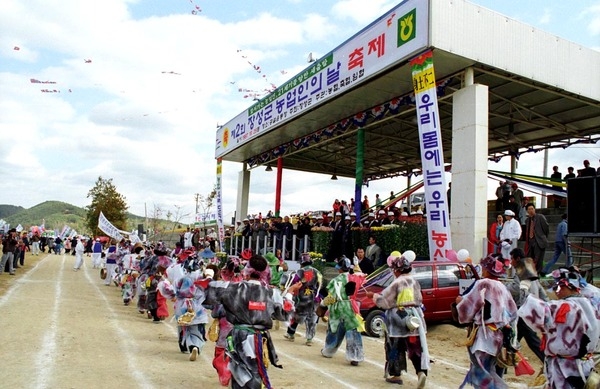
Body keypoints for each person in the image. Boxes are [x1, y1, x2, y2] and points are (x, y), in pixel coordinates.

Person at [204, 255, 299, 389]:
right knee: (256, 372)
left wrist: (208, 276)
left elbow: (209, 292)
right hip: (259, 338)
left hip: (238, 336)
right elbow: (285, 314)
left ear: (247, 272)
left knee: (239, 371)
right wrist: (289, 293)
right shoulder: (272, 293)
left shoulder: (232, 288)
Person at [519, 274, 598, 388]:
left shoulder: (562, 306)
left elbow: (538, 310)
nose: (556, 292)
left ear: (568, 287)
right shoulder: (592, 304)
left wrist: (524, 289)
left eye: (559, 288)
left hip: (564, 368)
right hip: (585, 364)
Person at [455, 254, 518, 389]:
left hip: (485, 335)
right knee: (488, 369)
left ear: (487, 270)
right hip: (500, 334)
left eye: (484, 267)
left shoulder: (482, 283)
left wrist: (460, 302)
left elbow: (469, 306)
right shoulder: (502, 287)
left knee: (481, 372)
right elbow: (513, 311)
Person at [368, 251, 430, 387]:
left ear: (396, 270)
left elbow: (384, 301)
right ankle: (421, 372)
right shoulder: (414, 281)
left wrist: (373, 296)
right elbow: (419, 299)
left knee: (395, 347)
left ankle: (396, 374)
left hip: (398, 318)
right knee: (415, 347)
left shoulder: (397, 283)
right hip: (415, 317)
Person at [320, 256, 366, 366]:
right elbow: (362, 275)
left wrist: (322, 304)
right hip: (351, 306)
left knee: (334, 330)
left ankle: (328, 351)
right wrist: (356, 266)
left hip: (339, 308)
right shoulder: (354, 278)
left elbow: (331, 297)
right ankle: (355, 356)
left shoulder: (335, 281)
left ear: (339, 268)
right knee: (353, 331)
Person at [505, 248, 546, 364]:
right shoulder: (530, 268)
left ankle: (546, 360)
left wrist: (504, 286)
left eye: (512, 259)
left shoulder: (521, 270)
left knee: (530, 340)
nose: (511, 261)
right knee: (513, 337)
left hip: (523, 309)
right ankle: (505, 362)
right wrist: (545, 302)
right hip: (529, 308)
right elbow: (540, 288)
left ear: (517, 259)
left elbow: (516, 288)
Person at [284, 253, 322, 345]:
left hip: (301, 299)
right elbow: (320, 286)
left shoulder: (298, 273)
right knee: (312, 320)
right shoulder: (318, 273)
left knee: (295, 316)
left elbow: (292, 285)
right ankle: (309, 339)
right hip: (313, 299)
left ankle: (291, 334)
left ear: (301, 263)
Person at [524, 203, 549, 273]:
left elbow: (546, 228)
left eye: (532, 209)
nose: (531, 210)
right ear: (527, 211)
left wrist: (542, 237)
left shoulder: (540, 217)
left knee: (538, 259)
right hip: (530, 241)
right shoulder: (527, 220)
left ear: (534, 209)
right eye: (529, 209)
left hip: (539, 241)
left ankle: (537, 274)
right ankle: (531, 273)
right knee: (529, 258)